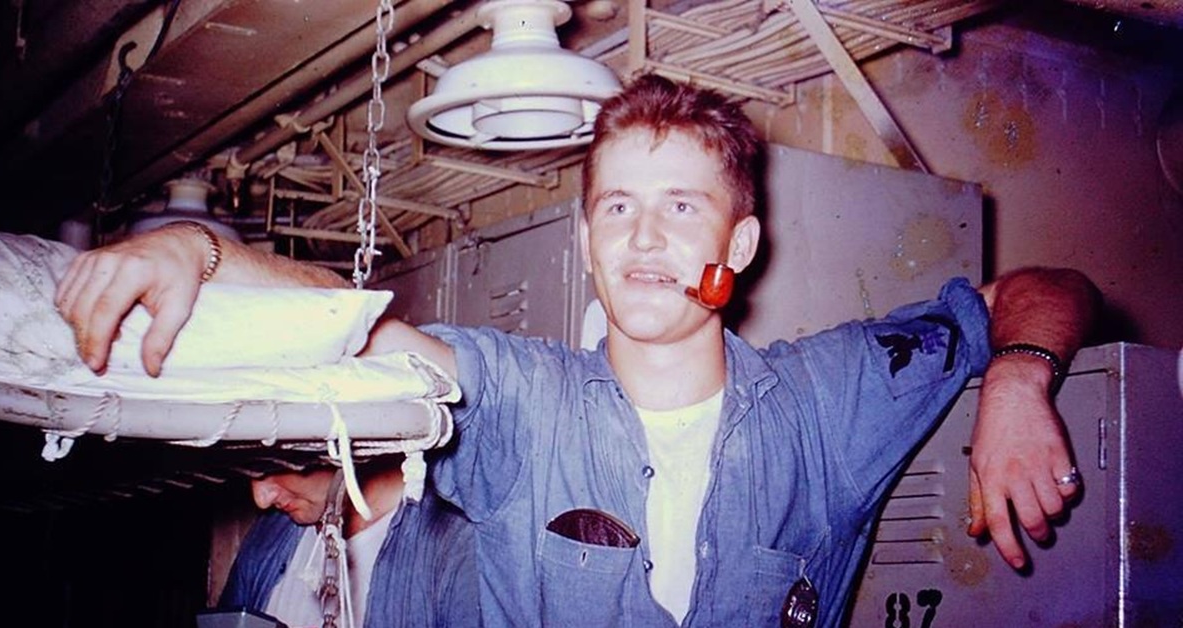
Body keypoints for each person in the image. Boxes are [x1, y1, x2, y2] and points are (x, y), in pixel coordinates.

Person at [57, 75, 1100, 627]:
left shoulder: (826, 402)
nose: (644, 240)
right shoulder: (526, 404)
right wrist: (198, 250)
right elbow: (359, 326)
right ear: (589, 244)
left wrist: (1018, 377)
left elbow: (1045, 288)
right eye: (617, 210)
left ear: (737, 245)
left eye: (681, 207)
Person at [218, 456, 480, 627]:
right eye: (251, 471)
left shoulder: (455, 550)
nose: (261, 499)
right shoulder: (270, 533)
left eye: (273, 467)